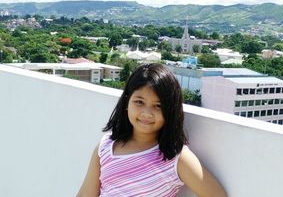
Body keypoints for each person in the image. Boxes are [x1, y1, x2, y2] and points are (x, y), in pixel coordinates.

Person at [77, 63, 227, 197]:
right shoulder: (107, 146)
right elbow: (86, 194)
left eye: (158, 106)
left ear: (171, 110)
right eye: (139, 102)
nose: (147, 113)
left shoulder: (175, 157)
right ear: (127, 102)